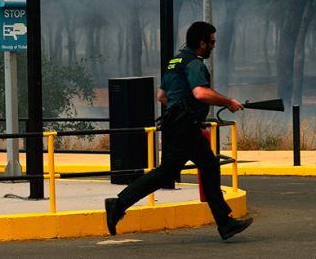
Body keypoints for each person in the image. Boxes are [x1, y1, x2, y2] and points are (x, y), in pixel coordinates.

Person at [105, 21, 253, 240]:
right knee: (202, 167)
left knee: (187, 169)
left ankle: (224, 222)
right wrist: (228, 101)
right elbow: (200, 93)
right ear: (202, 43)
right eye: (211, 42)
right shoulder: (194, 64)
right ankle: (224, 222)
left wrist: (181, 108)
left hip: (177, 125)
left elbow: (162, 96)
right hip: (184, 127)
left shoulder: (175, 61)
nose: (213, 46)